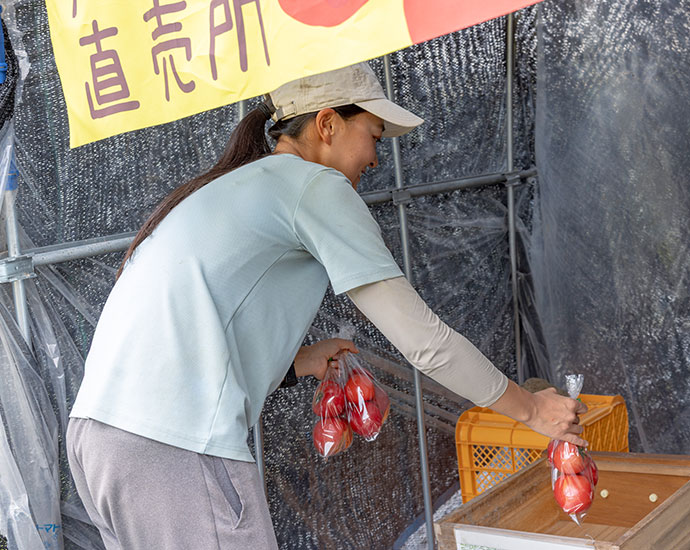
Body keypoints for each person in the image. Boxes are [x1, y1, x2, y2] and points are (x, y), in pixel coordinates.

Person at [66, 62, 588, 549]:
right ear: (327, 124)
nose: (376, 158)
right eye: (374, 135)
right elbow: (424, 342)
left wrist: (296, 365)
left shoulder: (234, 187)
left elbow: (191, 336)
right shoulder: (315, 186)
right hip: (173, 449)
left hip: (102, 440)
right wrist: (531, 409)